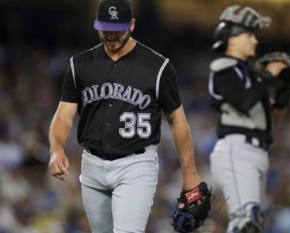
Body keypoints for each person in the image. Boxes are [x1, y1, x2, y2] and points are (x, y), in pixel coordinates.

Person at [48, 0, 205, 232]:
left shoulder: (158, 67)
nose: (111, 36)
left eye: (117, 30)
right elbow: (63, 116)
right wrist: (56, 148)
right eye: (105, 30)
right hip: (92, 165)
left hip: (136, 165)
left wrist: (190, 174)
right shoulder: (79, 65)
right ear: (96, 25)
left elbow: (177, 120)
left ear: (131, 25)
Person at [208, 5, 290, 233]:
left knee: (252, 225)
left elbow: (268, 123)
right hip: (236, 150)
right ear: (231, 39)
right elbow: (243, 100)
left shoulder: (250, 74)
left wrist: (282, 97)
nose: (255, 41)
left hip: (255, 152)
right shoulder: (223, 69)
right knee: (245, 222)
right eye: (248, 34)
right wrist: (267, 75)